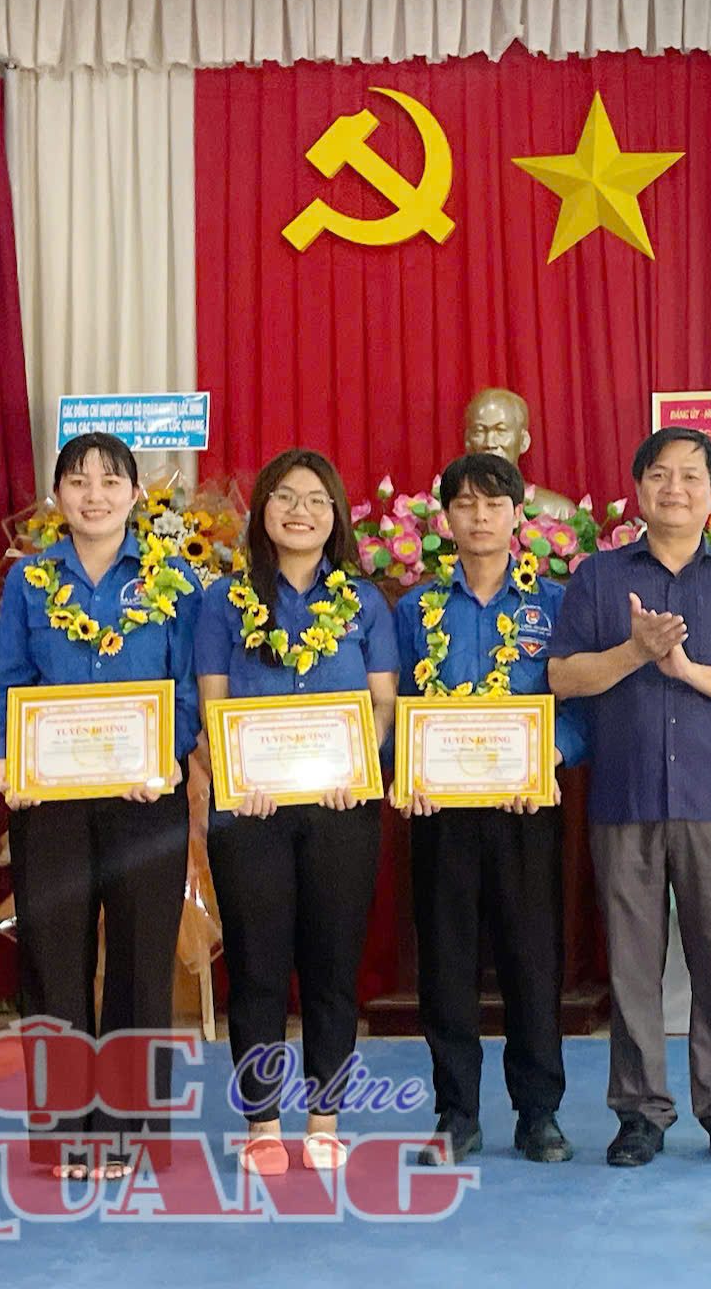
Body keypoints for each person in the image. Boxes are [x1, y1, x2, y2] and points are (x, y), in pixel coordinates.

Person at [549, 427, 711, 1169]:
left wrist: (685, 670)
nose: (674, 488)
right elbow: (563, 677)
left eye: (689, 476)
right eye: (659, 474)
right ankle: (639, 1113)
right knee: (631, 967)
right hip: (624, 801)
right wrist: (635, 652)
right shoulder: (598, 577)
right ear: (639, 488)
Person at [0, 431, 202, 1179]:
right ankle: (62, 1135)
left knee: (142, 964)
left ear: (136, 495)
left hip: (146, 796)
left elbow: (188, 688)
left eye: (111, 481)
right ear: (57, 496)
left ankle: (129, 1129)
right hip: (50, 799)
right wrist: (8, 758)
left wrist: (166, 753)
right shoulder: (30, 580)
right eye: (77, 481)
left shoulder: (174, 578)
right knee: (54, 961)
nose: (94, 495)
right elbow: (9, 681)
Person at [195, 448, 397, 1176]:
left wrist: (360, 763)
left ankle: (324, 1119)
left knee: (332, 966)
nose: (300, 511)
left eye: (316, 499)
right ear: (263, 511)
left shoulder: (364, 603)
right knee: (257, 967)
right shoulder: (224, 601)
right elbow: (212, 703)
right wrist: (232, 772)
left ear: (336, 514)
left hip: (341, 808)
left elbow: (382, 704)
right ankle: (261, 1122)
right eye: (285, 496)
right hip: (249, 812)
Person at [393, 452, 588, 1168]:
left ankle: (539, 1113)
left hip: (524, 806)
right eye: (465, 505)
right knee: (445, 964)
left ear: (517, 515)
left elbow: (580, 701)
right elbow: (395, 706)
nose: (480, 517)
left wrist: (553, 753)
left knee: (532, 961)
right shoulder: (415, 609)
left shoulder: (554, 605)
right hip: (440, 812)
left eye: (494, 504)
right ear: (445, 519)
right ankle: (456, 1113)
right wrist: (403, 769)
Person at [462, 387, 577, 519]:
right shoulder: (446, 512)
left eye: (501, 431)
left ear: (523, 441)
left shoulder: (556, 512)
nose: (490, 442)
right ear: (467, 441)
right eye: (479, 431)